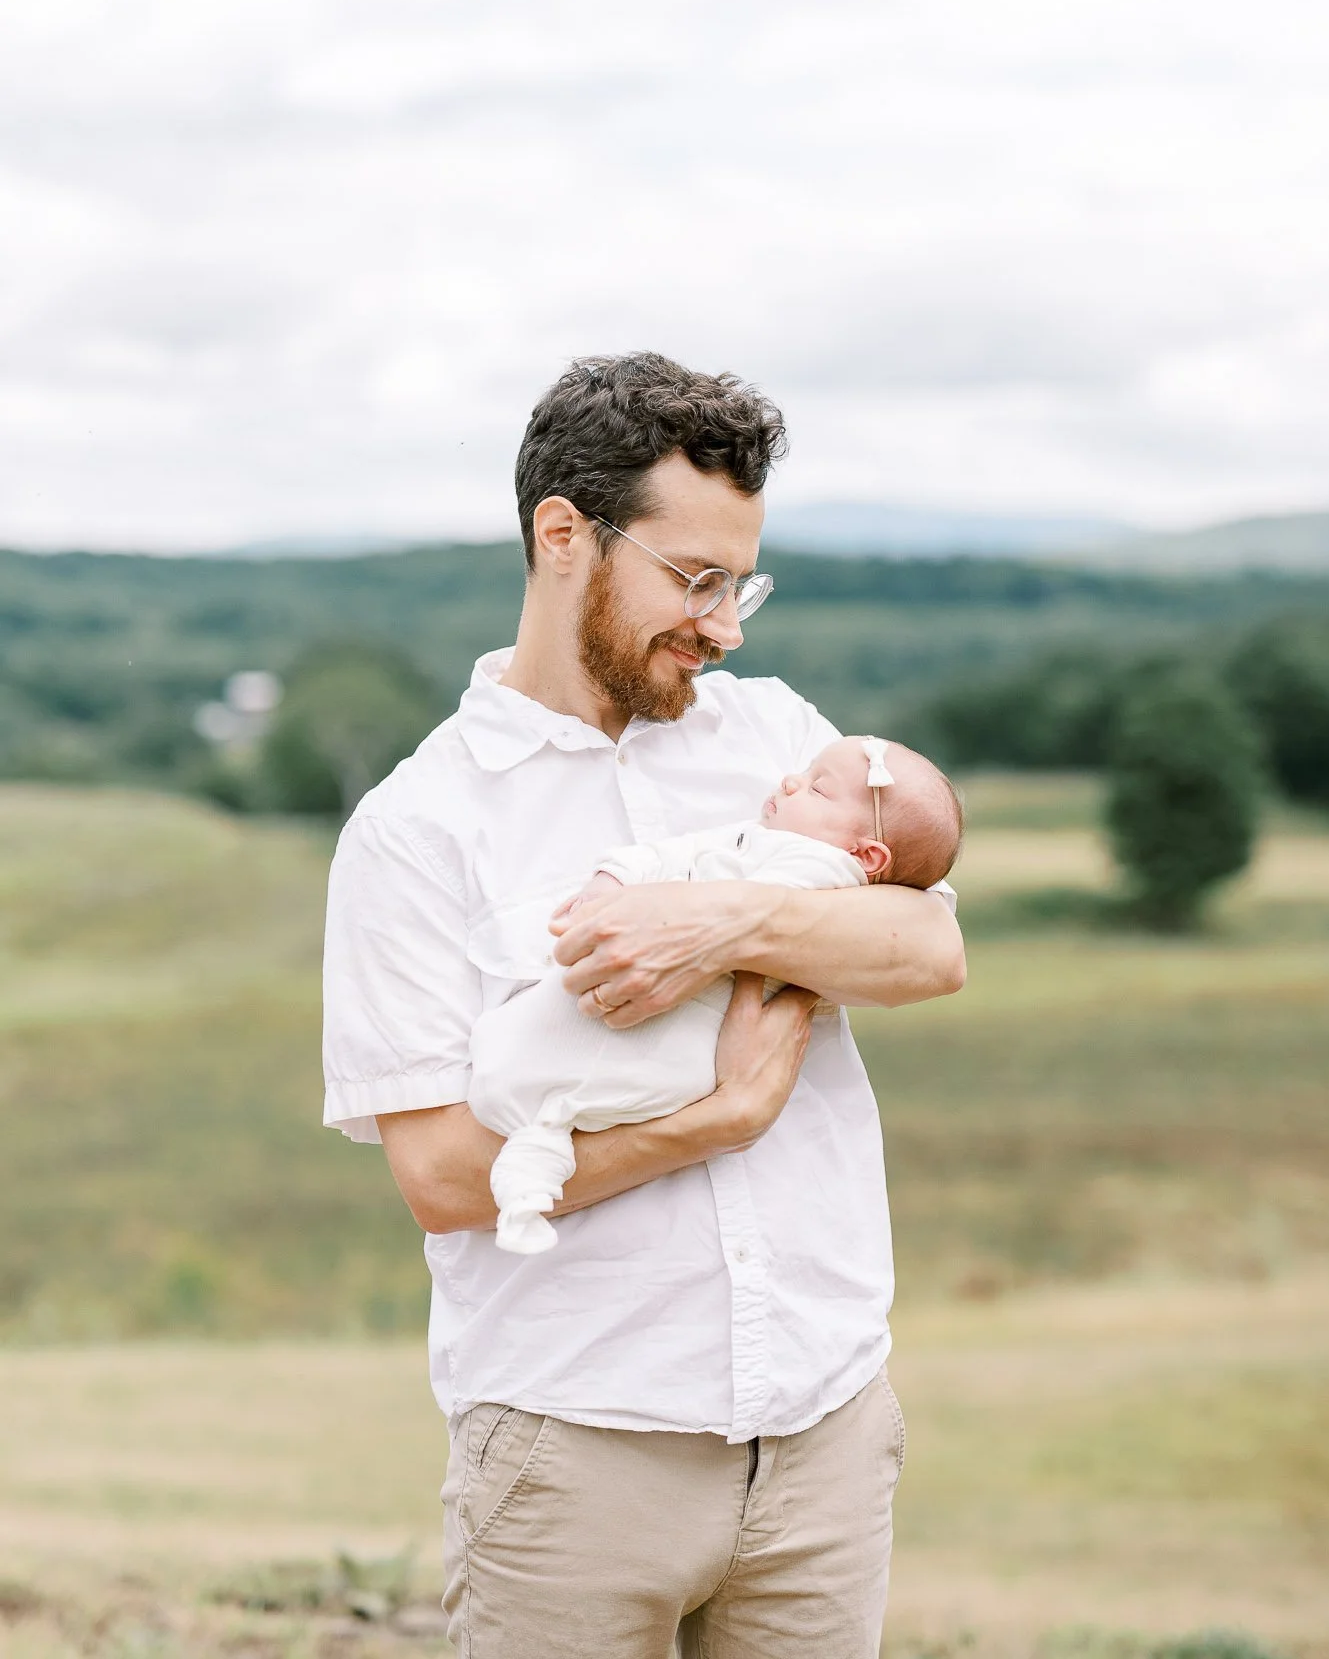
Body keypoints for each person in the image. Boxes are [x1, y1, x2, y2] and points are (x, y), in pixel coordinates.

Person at [321, 352, 966, 1659]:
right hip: (573, 1459)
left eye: (743, 582)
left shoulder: (775, 736)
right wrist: (712, 1122)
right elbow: (445, 1177)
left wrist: (723, 919)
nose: (726, 625)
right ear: (564, 538)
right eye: (695, 581)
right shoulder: (414, 829)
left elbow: (925, 950)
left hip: (824, 1437)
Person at [471, 734, 963, 1254]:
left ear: (864, 854)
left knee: (580, 1098)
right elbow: (671, 855)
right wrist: (615, 879)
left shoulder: (824, 872)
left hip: (683, 1044)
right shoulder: (752, 837)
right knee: (551, 1102)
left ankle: (537, 1161)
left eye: (817, 789)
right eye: (804, 773)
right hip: (566, 1047)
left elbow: (935, 946)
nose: (789, 781)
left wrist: (702, 922)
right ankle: (534, 1168)